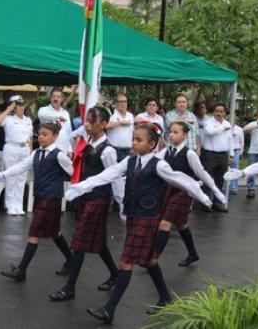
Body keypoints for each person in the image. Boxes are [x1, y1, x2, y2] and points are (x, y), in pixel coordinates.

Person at [65, 123, 212, 323]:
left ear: (152, 144)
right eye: (133, 139)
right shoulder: (130, 161)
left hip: (148, 219)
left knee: (126, 262)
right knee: (149, 260)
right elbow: (107, 175)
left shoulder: (159, 164)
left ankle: (109, 309)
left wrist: (202, 195)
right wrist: (81, 186)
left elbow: (181, 180)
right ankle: (165, 297)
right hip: (135, 216)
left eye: (139, 140)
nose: (133, 143)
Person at [0, 122, 73, 282]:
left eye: (45, 134)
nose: (40, 137)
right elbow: (21, 166)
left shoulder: (59, 155)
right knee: (54, 232)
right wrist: (1, 175)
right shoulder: (37, 154)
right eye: (39, 134)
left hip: (52, 198)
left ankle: (21, 270)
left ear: (55, 136)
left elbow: (73, 171)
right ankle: (72, 261)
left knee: (33, 233)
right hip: (41, 196)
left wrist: (75, 188)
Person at [49, 108, 120, 302]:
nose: (86, 124)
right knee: (99, 243)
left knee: (79, 242)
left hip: (99, 199)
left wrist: (122, 204)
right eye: (86, 120)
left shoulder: (108, 150)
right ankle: (115, 274)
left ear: (103, 124)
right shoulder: (87, 143)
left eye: (91, 121)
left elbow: (116, 178)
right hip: (86, 197)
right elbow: (71, 137)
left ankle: (70, 287)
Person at [155, 121, 227, 267]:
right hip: (168, 191)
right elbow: (151, 163)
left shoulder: (190, 154)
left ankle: (152, 259)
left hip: (184, 192)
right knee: (181, 224)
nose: (172, 135)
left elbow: (203, 174)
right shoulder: (165, 152)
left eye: (176, 132)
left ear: (184, 135)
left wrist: (217, 192)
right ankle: (193, 254)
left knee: (165, 223)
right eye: (170, 132)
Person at [0, 96, 33, 215]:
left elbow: (30, 137)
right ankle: (10, 205)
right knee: (11, 177)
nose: (21, 107)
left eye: (22, 105)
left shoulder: (28, 120)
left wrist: (30, 152)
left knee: (21, 178)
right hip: (11, 147)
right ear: (14, 107)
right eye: (18, 105)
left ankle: (18, 205)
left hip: (24, 149)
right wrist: (8, 110)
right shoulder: (8, 118)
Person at [200, 103, 233, 212]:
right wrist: (222, 128)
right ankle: (206, 202)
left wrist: (231, 155)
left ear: (224, 113)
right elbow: (210, 132)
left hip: (223, 155)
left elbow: (230, 140)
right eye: (216, 111)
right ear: (213, 112)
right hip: (210, 155)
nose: (218, 113)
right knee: (207, 179)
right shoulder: (208, 122)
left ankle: (217, 203)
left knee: (220, 180)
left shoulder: (228, 123)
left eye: (221, 111)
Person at [37, 87, 73, 156]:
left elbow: (68, 132)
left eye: (58, 97)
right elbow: (42, 116)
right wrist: (57, 117)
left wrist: (70, 149)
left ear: (62, 99)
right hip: (48, 149)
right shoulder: (43, 110)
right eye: (54, 97)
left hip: (63, 149)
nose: (55, 99)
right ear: (50, 98)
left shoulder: (65, 113)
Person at [243, 107, 258, 199]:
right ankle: (251, 190)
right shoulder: (254, 123)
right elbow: (245, 128)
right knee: (251, 171)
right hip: (253, 151)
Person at [106, 94, 134, 162]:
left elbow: (132, 132)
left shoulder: (130, 115)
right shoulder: (111, 114)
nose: (123, 103)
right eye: (120, 101)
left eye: (124, 101)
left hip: (128, 150)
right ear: (116, 103)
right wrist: (119, 123)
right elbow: (105, 125)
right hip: (114, 149)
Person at [230, 118, 244, 195]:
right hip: (227, 150)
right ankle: (224, 187)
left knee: (235, 168)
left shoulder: (239, 129)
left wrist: (241, 152)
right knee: (225, 168)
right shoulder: (225, 127)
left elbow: (242, 141)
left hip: (236, 150)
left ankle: (233, 187)